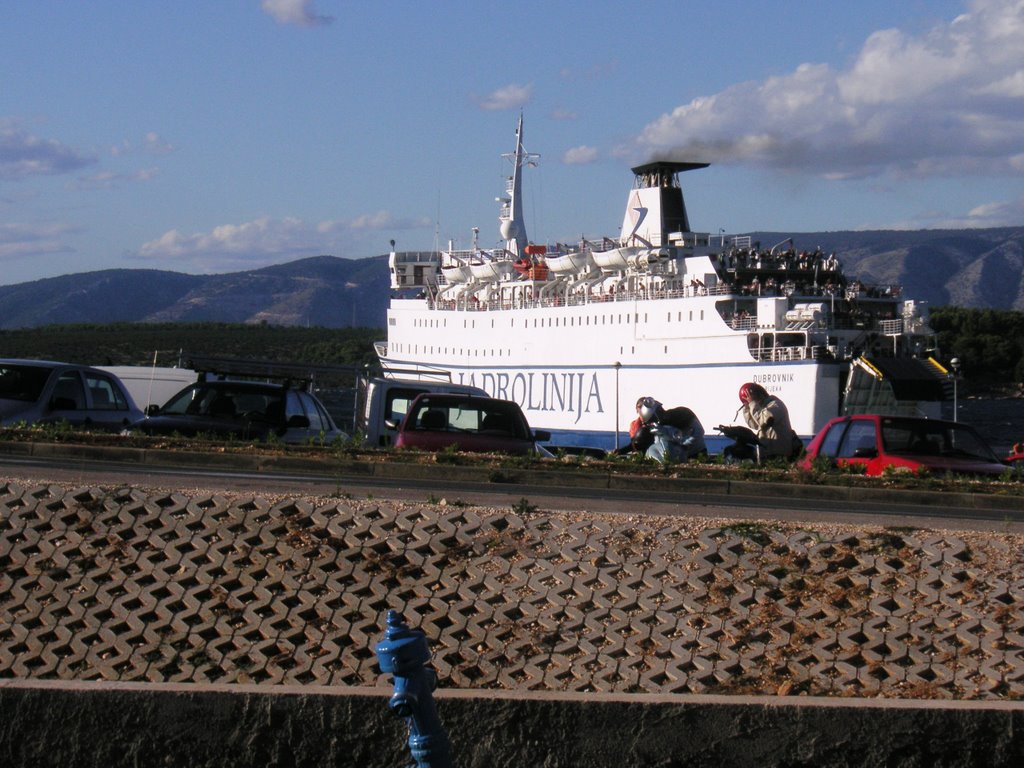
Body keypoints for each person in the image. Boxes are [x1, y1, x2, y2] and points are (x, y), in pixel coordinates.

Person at [619, 396, 706, 461]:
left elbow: (698, 432)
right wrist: (621, 451)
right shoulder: (651, 428)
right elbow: (639, 442)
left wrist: (684, 444)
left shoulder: (681, 414)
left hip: (695, 454)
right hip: (672, 459)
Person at [732, 382, 801, 462]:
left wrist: (752, 403)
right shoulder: (762, 408)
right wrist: (747, 408)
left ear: (759, 395)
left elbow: (762, 420)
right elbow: (755, 425)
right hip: (767, 453)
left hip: (779, 454)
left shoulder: (776, 405)